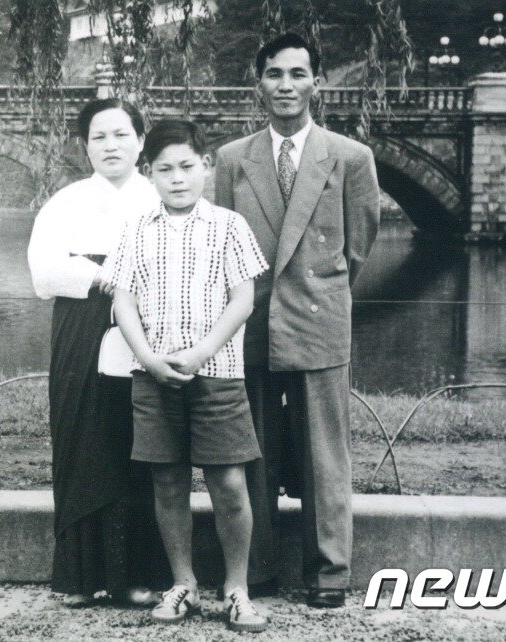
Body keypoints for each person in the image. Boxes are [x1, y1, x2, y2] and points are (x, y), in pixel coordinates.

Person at [214, 32, 381, 608]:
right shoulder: (232, 160)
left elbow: (357, 247)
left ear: (318, 82)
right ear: (257, 82)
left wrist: (320, 291)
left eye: (298, 74)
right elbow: (224, 248)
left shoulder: (351, 157)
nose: (286, 86)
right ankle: (254, 569)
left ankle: (329, 574)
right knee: (249, 448)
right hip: (250, 322)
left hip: (318, 320)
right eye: (275, 75)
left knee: (324, 454)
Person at [101, 119, 271, 633]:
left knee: (228, 482)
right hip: (152, 376)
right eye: (165, 170)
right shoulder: (135, 228)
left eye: (187, 167)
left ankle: (237, 589)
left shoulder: (228, 226)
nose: (178, 179)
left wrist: (201, 351)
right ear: (148, 172)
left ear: (207, 167)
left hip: (217, 374)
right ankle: (184, 584)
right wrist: (148, 358)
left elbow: (244, 299)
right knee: (168, 482)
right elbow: (122, 300)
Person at [27, 98, 167, 607]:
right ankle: (80, 578)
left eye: (122, 134)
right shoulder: (66, 202)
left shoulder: (160, 198)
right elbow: (44, 274)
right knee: (82, 438)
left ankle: (137, 576)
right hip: (82, 328)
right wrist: (101, 275)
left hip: (149, 328)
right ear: (84, 146)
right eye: (99, 137)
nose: (111, 146)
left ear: (140, 141)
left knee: (140, 446)